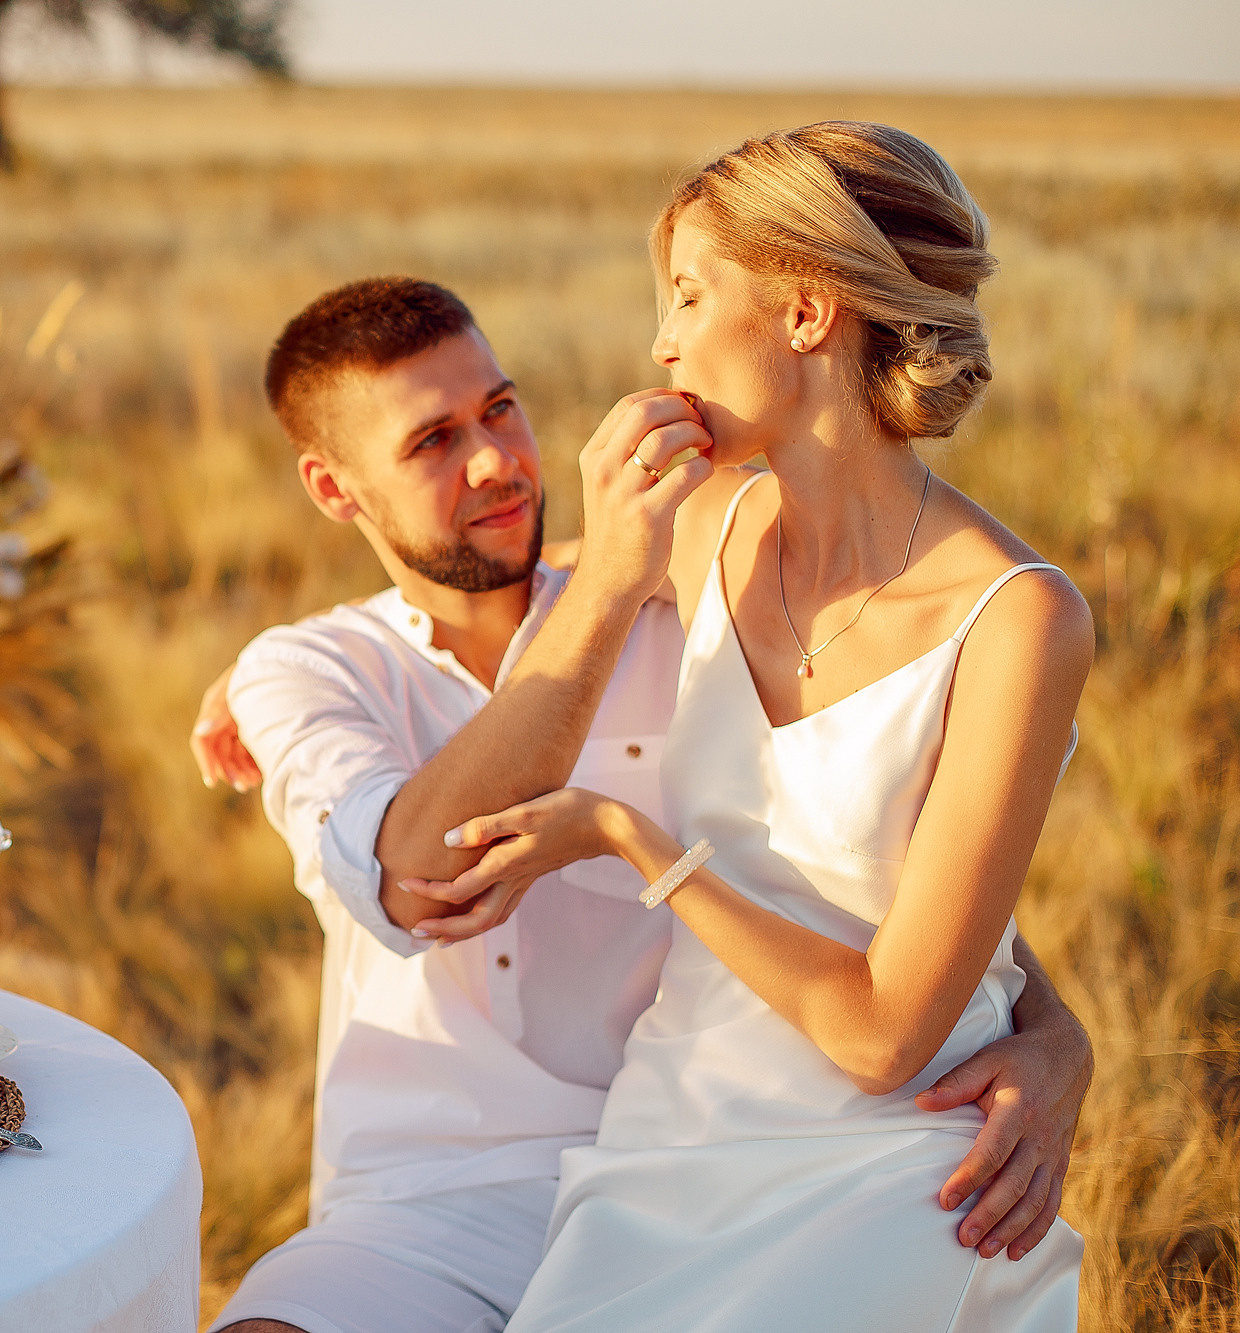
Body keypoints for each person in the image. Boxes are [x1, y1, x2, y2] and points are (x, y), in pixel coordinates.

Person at [198, 269, 1091, 1333]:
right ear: (333, 489)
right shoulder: (305, 670)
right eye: (430, 442)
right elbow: (419, 871)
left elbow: (868, 858)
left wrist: (1054, 1032)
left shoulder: (697, 607)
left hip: (679, 1157)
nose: (495, 461)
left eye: (499, 408)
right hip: (420, 1215)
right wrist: (612, 583)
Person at [397, 123, 1088, 1330]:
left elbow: (882, 1037)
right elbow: (509, 587)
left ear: (808, 311)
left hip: (897, 1161)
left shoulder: (1015, 620)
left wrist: (630, 839)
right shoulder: (708, 525)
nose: (660, 341)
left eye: (686, 292)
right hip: (668, 1139)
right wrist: (269, 668)